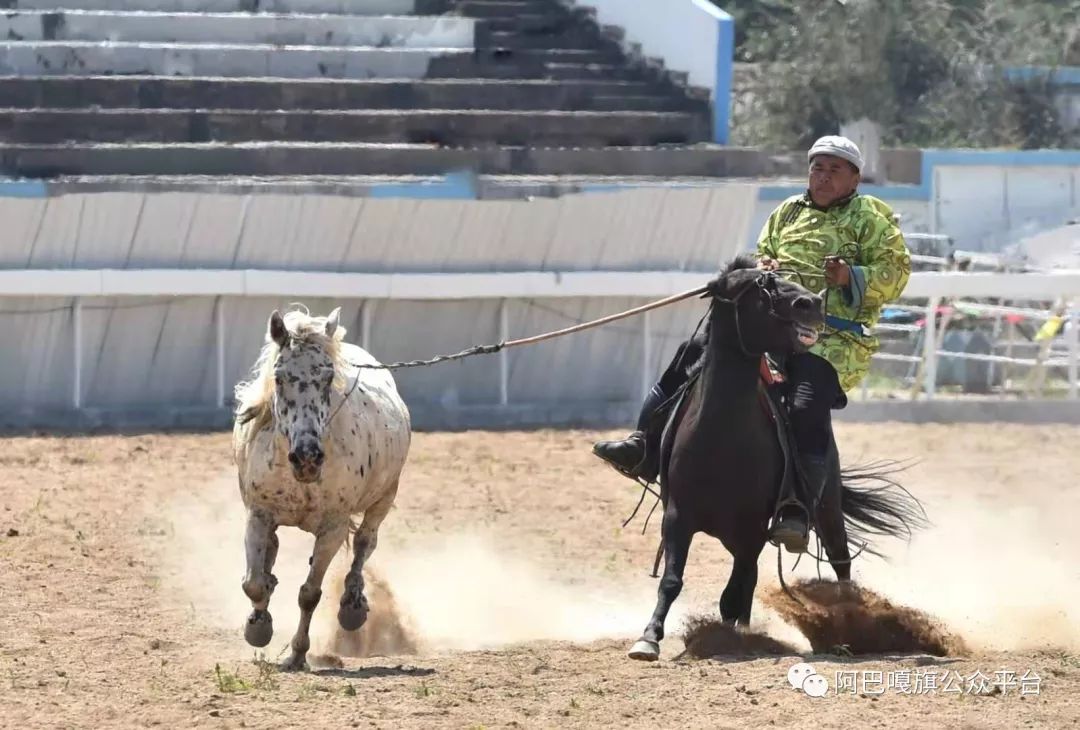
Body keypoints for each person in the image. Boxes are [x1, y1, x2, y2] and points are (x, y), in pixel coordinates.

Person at [593, 135, 912, 553]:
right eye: (818, 167)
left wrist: (851, 276)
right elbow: (762, 259)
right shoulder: (785, 213)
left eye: (835, 169)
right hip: (771, 330)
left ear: (855, 178)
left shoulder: (871, 217)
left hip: (831, 342)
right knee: (692, 357)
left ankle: (795, 509)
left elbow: (897, 273)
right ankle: (644, 445)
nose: (823, 176)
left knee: (804, 405)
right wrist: (761, 268)